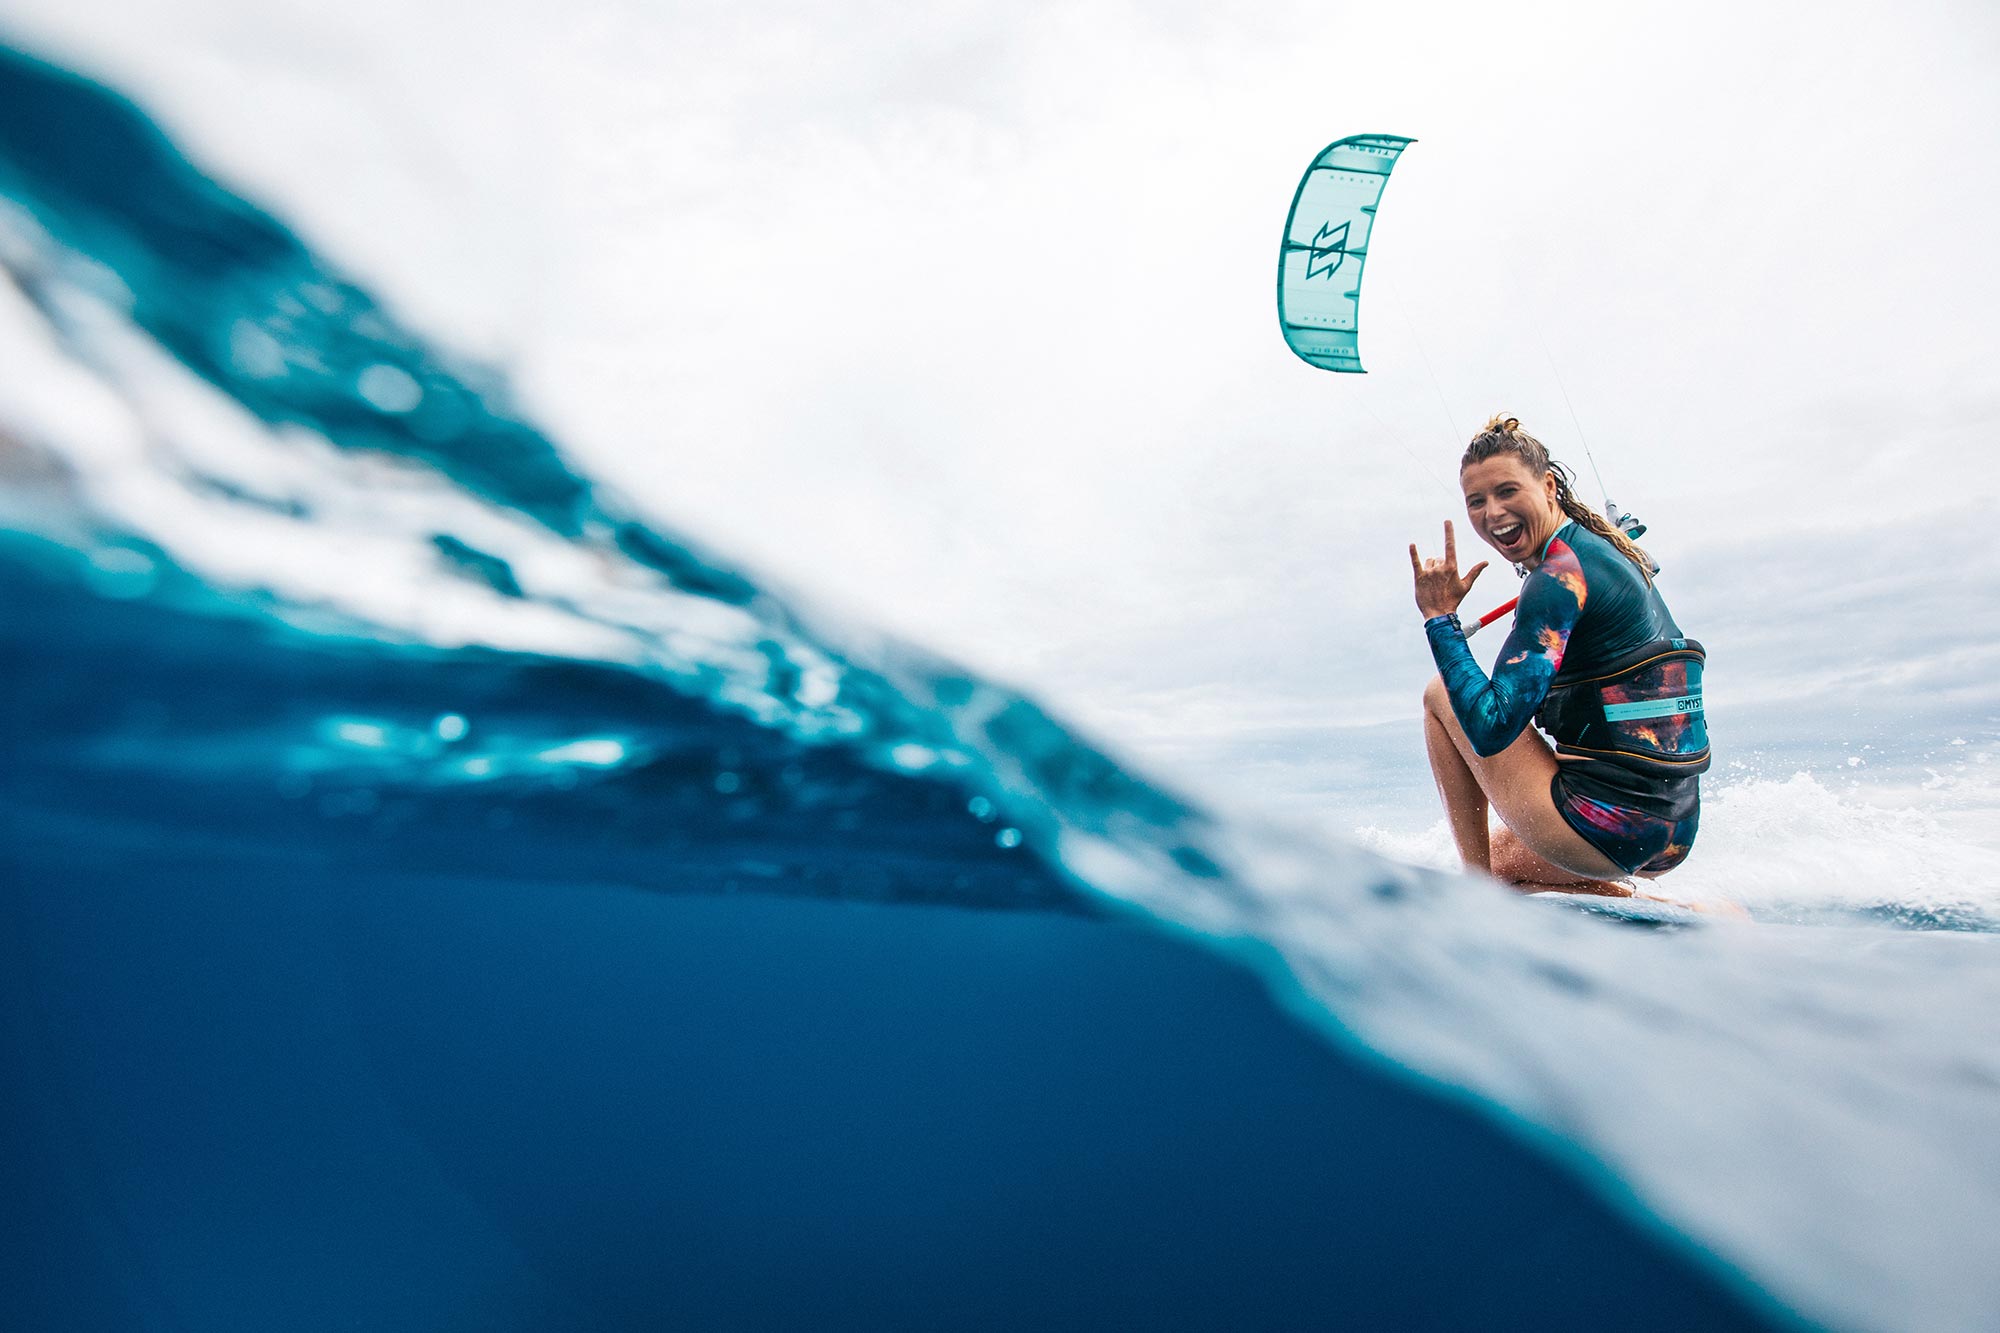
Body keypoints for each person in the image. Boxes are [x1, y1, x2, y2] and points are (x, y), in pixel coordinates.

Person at [1409, 414, 1710, 900]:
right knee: (1509, 862)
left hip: (1613, 826)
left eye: (1508, 491)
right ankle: (1680, 909)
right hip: (1672, 830)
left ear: (1548, 486)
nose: (1493, 512)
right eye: (1476, 501)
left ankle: (1474, 899)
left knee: (1438, 694)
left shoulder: (1557, 578)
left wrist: (1440, 618)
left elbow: (1489, 729)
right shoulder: (1604, 555)